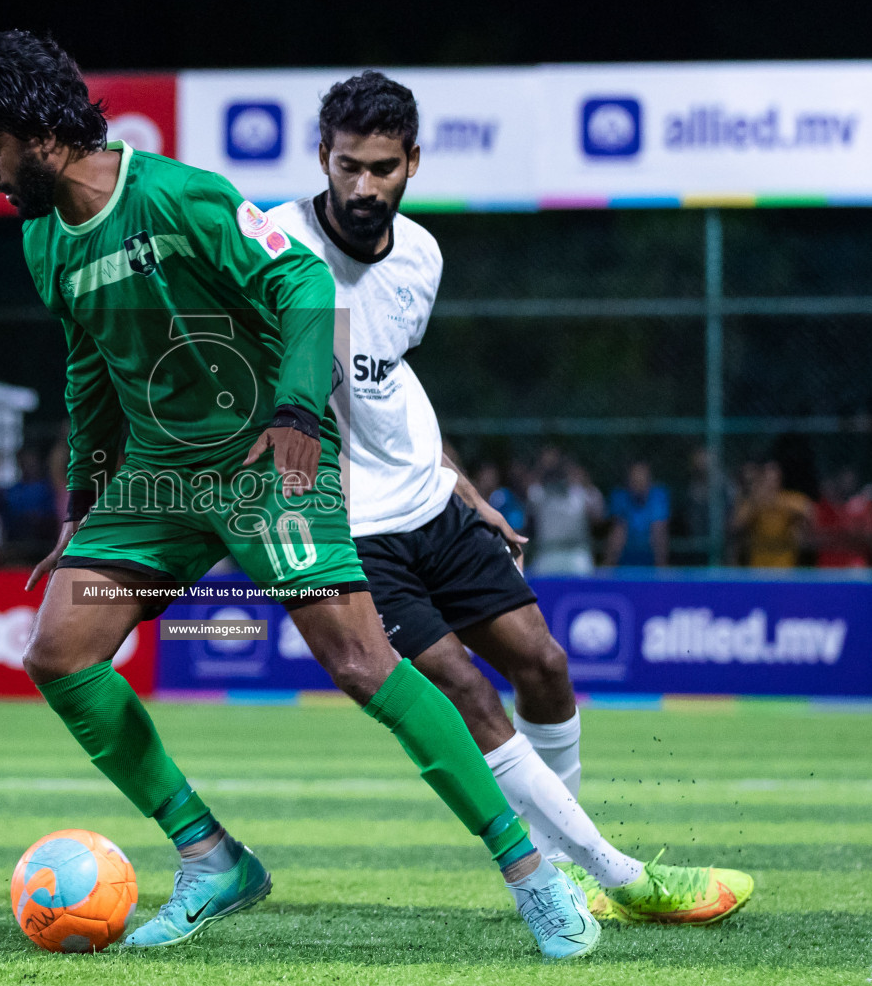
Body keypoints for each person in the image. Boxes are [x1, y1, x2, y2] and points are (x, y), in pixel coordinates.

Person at [0, 31, 596, 958]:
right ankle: (211, 857)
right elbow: (88, 361)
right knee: (60, 652)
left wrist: (296, 410)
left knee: (365, 668)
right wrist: (84, 502)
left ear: (39, 135)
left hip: (263, 462)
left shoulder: (180, 196)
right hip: (160, 477)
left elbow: (298, 278)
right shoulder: (44, 239)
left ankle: (530, 873)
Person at [270, 71, 751, 927]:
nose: (362, 186)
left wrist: (460, 480)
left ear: (413, 162)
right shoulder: (272, 247)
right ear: (322, 157)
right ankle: (615, 871)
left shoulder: (422, 256)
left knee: (545, 665)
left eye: (382, 167)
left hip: (433, 504)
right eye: (347, 166)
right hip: (355, 533)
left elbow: (390, 384)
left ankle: (573, 871)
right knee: (467, 691)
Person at [525, 448, 603, 574]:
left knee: (584, 575)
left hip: (576, 553)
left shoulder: (580, 493)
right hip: (548, 552)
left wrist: (579, 480)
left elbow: (598, 515)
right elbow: (529, 492)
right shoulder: (540, 494)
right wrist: (544, 468)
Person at [732, 460, 814, 568]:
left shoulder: (788, 499)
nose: (771, 483)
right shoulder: (754, 503)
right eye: (767, 479)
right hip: (759, 567)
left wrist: (778, 505)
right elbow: (737, 524)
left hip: (785, 566)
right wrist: (758, 505)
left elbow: (809, 510)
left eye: (774, 479)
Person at [605, 461, 670, 567]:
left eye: (642, 481)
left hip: (650, 561)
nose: (638, 486)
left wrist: (662, 568)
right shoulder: (620, 497)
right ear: (628, 483)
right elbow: (618, 532)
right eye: (635, 482)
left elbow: (659, 531)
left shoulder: (658, 496)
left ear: (649, 482)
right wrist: (608, 567)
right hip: (625, 561)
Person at [813, 466, 872, 569]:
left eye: (850, 476)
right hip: (827, 568)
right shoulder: (824, 506)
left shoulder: (865, 505)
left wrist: (846, 533)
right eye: (843, 475)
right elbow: (815, 539)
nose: (847, 480)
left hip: (855, 566)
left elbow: (869, 538)